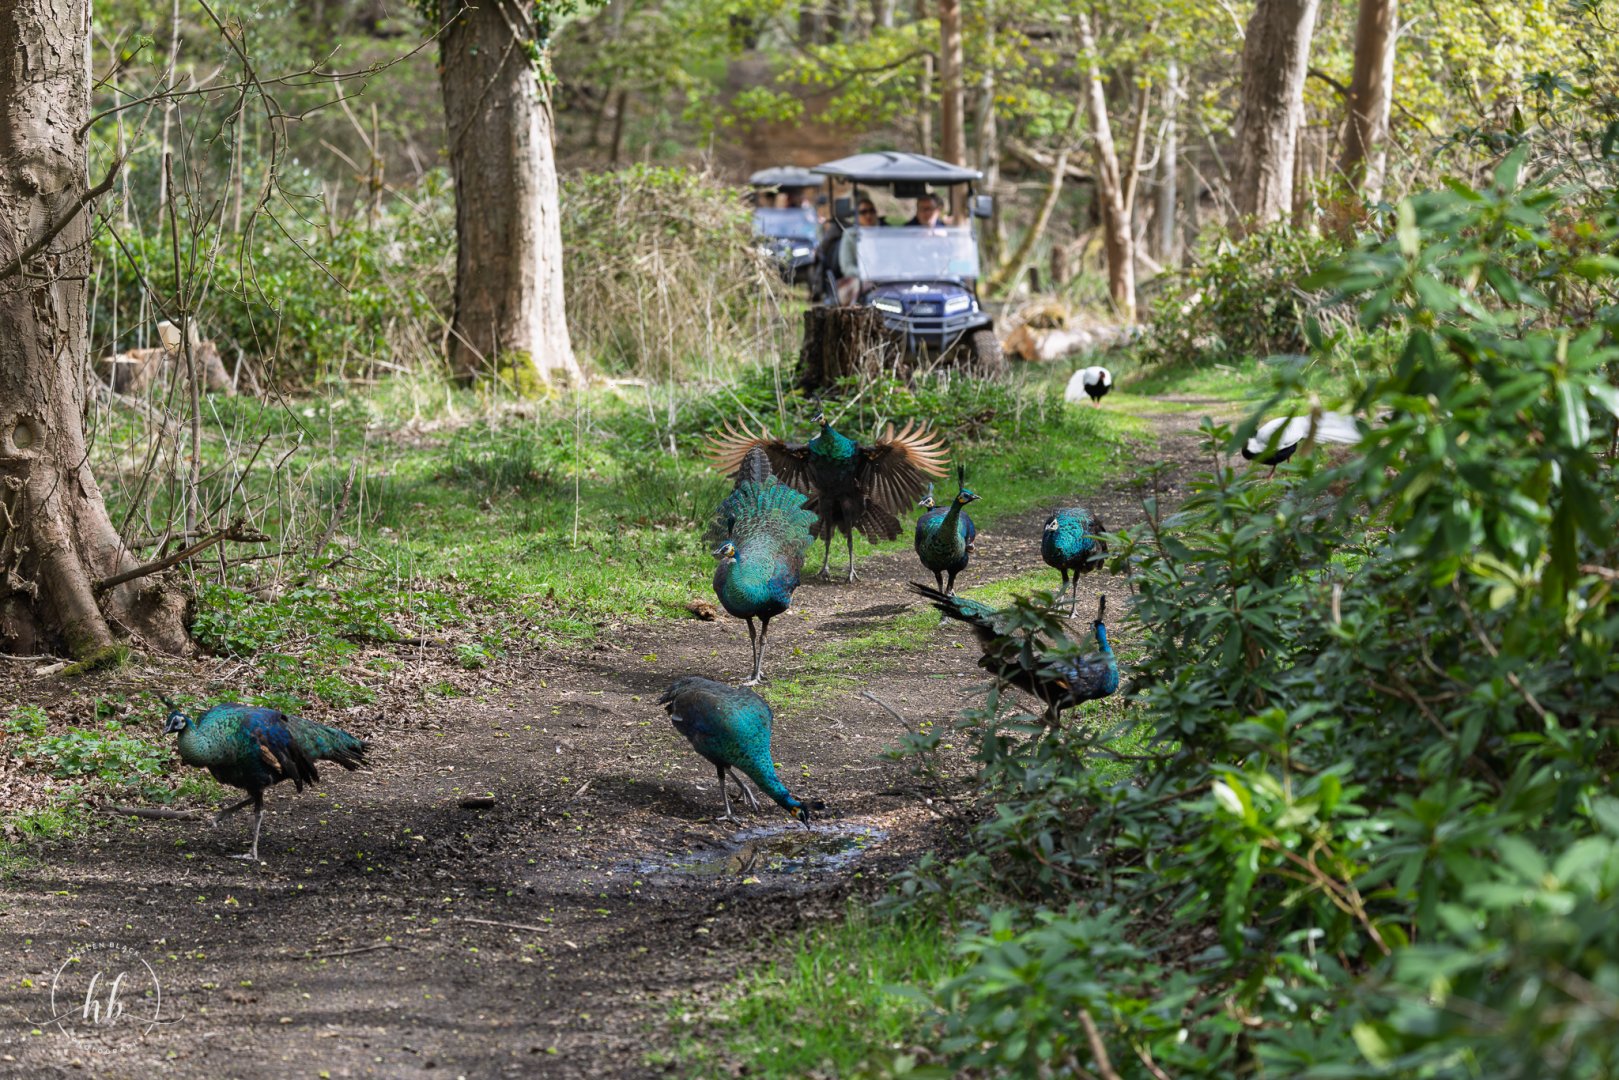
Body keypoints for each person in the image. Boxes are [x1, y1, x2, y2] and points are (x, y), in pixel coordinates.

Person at [835, 199, 880, 305]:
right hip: (858, 280)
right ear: (857, 216)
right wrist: (866, 275)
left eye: (871, 211)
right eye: (863, 212)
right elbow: (847, 267)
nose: (868, 215)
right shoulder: (850, 235)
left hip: (881, 280)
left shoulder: (882, 235)